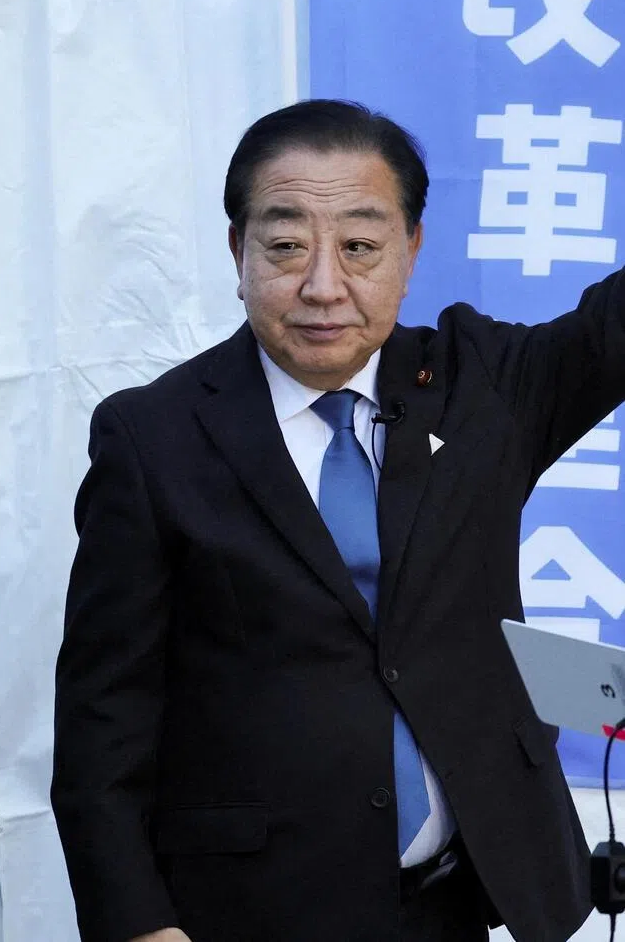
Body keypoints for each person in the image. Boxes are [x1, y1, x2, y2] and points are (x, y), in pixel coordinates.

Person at [51, 101, 598, 941]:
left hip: (464, 898)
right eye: (285, 246)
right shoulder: (152, 438)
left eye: (359, 248)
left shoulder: (480, 384)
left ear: (410, 252)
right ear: (237, 252)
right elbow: (103, 721)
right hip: (255, 906)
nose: (322, 285)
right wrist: (138, 925)